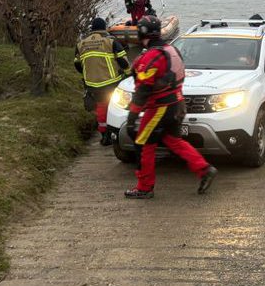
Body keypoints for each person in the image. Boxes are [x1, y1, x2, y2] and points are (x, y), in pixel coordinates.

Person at [124, 15, 217, 199]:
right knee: (173, 140)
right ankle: (204, 169)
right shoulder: (171, 49)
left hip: (159, 107)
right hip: (177, 103)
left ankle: (144, 187)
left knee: (143, 144)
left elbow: (143, 89)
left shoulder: (151, 56)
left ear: (142, 32)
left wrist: (132, 116)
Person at [74, 18, 130, 146]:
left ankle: (104, 136)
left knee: (101, 107)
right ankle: (116, 134)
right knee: (115, 107)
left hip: (92, 84)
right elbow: (123, 61)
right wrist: (128, 74)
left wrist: (87, 75)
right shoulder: (110, 41)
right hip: (111, 82)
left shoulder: (81, 44)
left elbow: (77, 64)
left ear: (92, 29)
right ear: (104, 28)